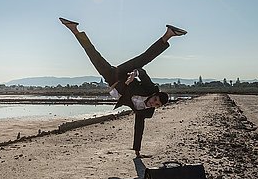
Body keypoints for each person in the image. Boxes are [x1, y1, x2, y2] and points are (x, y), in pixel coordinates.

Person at [59, 17, 187, 157]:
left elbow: (139, 127)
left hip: (112, 78)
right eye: (155, 99)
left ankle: (74, 29)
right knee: (144, 58)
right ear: (154, 95)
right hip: (126, 72)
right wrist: (134, 74)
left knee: (93, 56)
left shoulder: (146, 112)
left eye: (156, 105)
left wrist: (137, 152)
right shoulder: (151, 89)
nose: (153, 103)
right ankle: (168, 34)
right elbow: (142, 73)